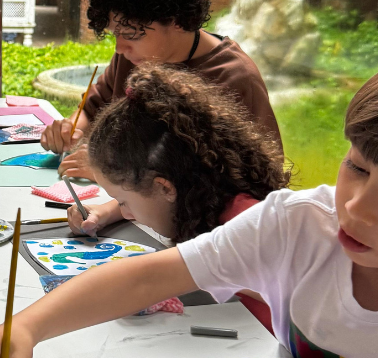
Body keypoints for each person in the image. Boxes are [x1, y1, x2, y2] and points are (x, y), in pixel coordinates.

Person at [0, 56, 378, 358]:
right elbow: (146, 278)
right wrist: (26, 327)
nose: (357, 207)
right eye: (357, 167)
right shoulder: (298, 226)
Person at [67, 63, 289, 331]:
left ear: (165, 188)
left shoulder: (247, 227)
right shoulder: (205, 192)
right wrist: (106, 211)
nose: (125, 213)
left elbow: (141, 281)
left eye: (124, 202)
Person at [40, 0, 282, 180]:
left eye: (131, 34)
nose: (120, 47)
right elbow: (92, 110)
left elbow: (256, 180)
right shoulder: (132, 58)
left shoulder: (235, 78)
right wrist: (70, 130)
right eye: (116, 34)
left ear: (176, 19)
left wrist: (115, 172)